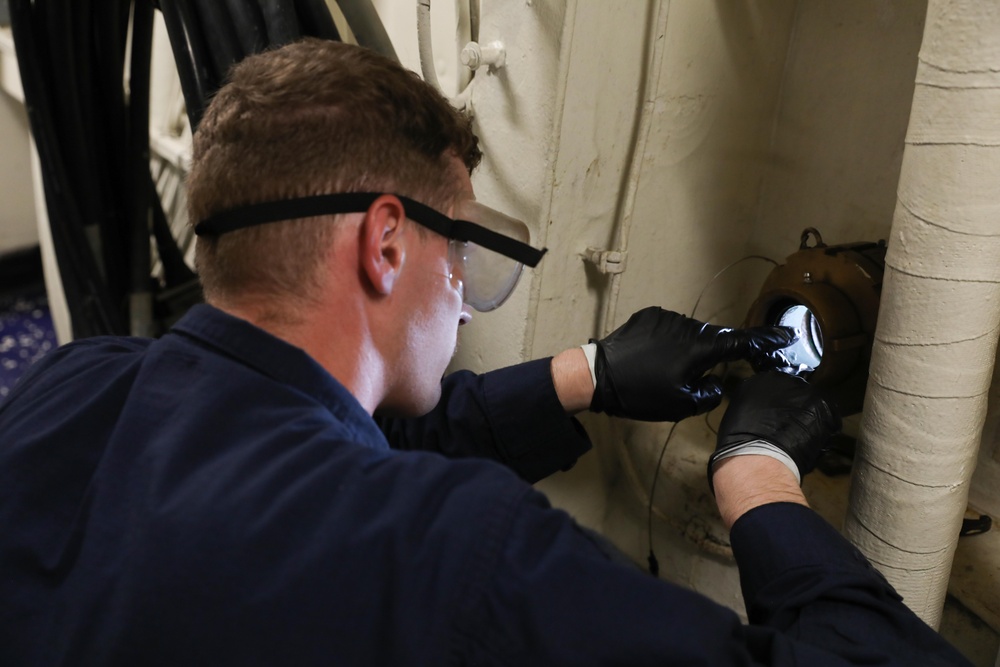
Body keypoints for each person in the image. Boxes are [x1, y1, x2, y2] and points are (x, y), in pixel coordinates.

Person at [0, 38, 969, 666]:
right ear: (386, 244)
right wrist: (759, 480)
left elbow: (321, 465)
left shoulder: (77, 385)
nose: (463, 308)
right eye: (459, 253)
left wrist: (582, 373)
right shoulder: (467, 554)